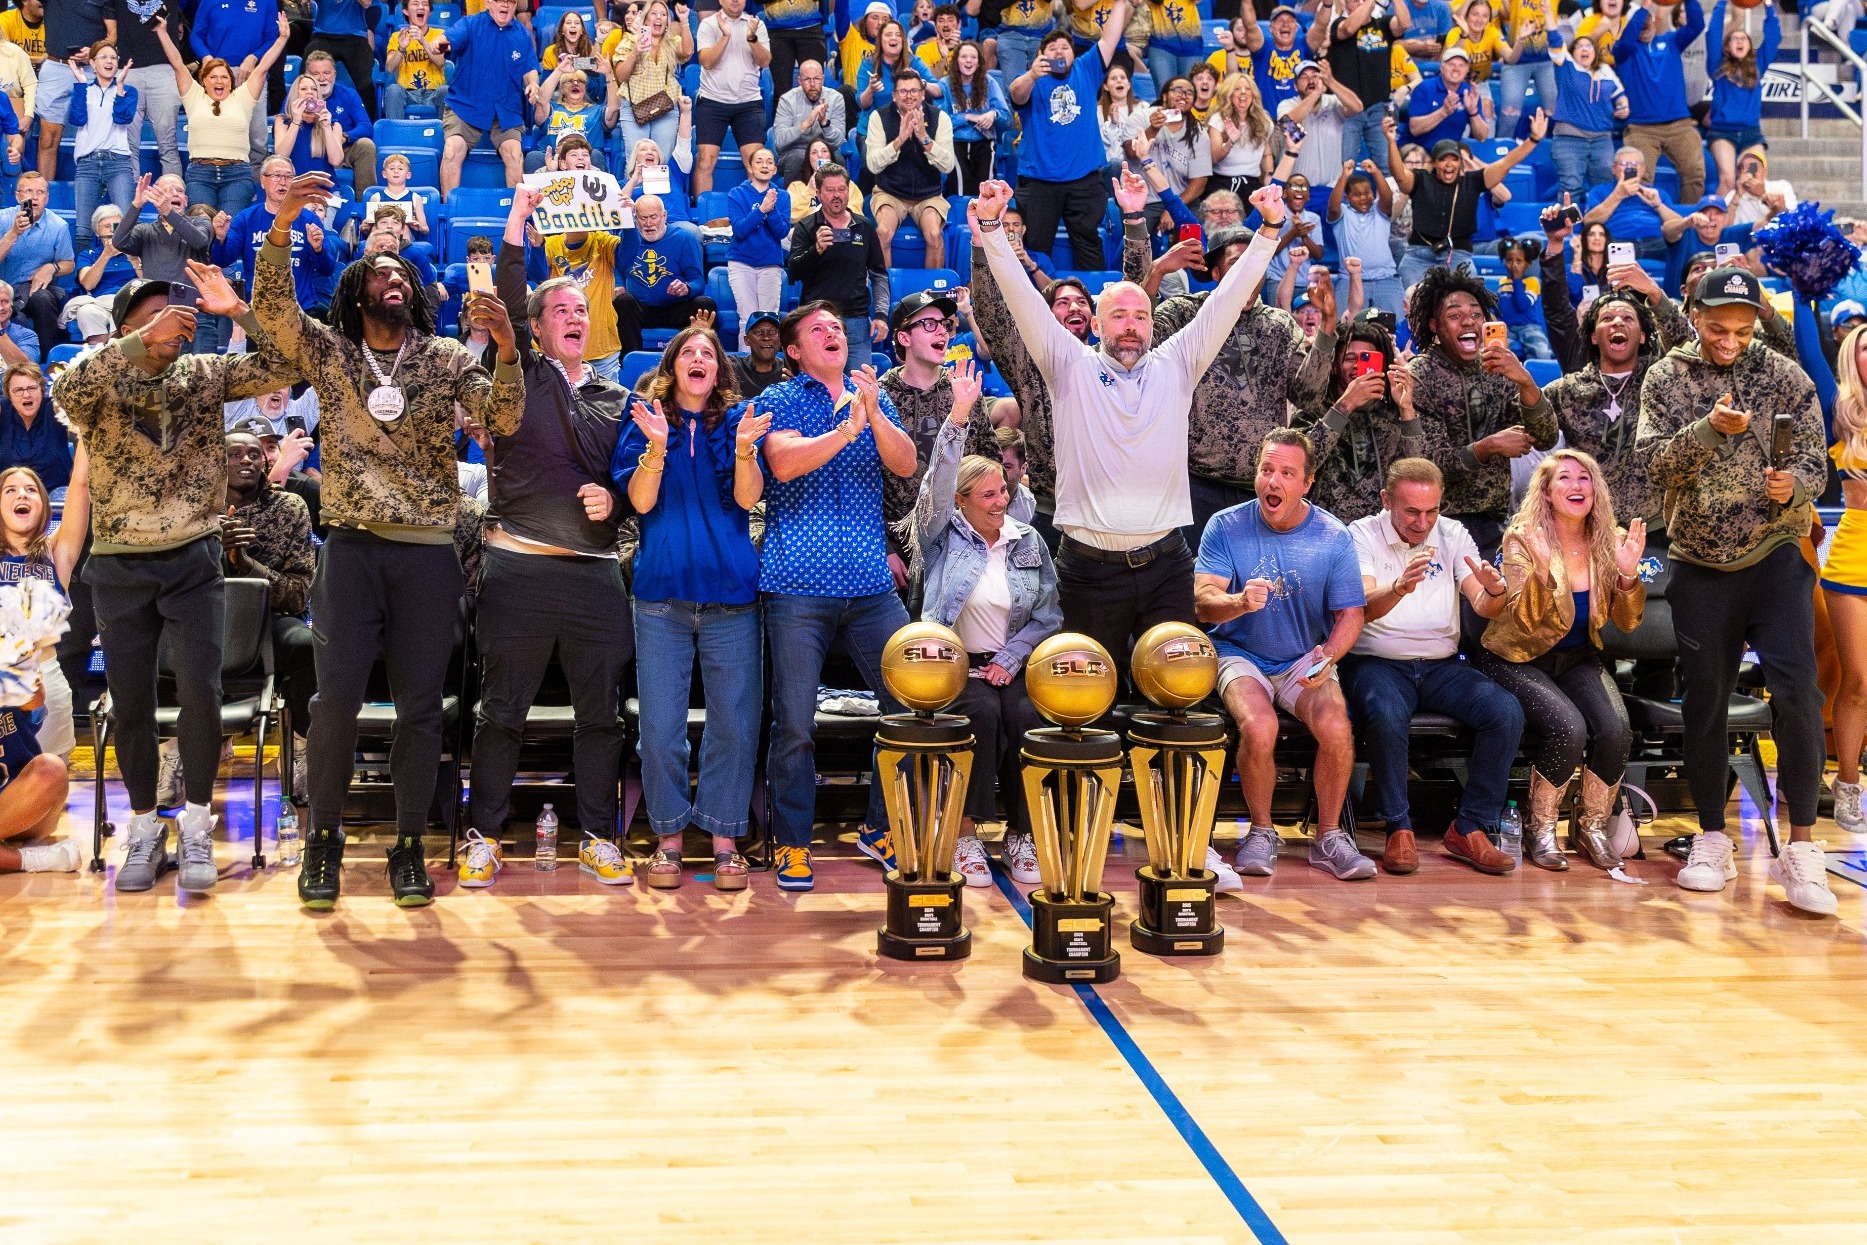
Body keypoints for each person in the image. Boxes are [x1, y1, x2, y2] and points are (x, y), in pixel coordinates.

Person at [252, 170, 524, 913]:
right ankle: (326, 838)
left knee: (420, 709)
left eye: (400, 270)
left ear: (416, 289)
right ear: (354, 289)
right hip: (350, 548)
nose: (389, 276)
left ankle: (409, 840)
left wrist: (505, 348)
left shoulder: (442, 358)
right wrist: (279, 227)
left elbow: (499, 420)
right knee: (333, 704)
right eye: (376, 269)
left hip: (429, 551)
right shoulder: (332, 351)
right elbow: (272, 316)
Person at [52, 268, 295, 894]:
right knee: (130, 703)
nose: (173, 321)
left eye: (178, 312)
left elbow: (285, 362)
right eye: (155, 313)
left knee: (202, 697)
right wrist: (135, 344)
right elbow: (71, 393)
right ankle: (140, 826)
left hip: (192, 556)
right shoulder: (99, 375)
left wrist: (237, 310)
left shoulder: (203, 374)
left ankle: (194, 822)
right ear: (127, 325)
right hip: (119, 562)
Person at [975, 174, 1284, 667]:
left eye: (1140, 316)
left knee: (1179, 694)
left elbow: (1227, 299)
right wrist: (992, 228)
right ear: (1096, 325)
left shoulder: (1178, 363)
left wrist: (1269, 230)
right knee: (1086, 702)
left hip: (1167, 563)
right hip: (1088, 570)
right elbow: (1021, 300)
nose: (1131, 326)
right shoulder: (1068, 365)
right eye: (1118, 316)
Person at [1635, 266, 1837, 917]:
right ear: (1693, 315)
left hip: (1775, 554)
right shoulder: (1666, 376)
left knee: (1798, 690)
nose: (1729, 340)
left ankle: (1802, 847)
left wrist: (1796, 487)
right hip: (1697, 558)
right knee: (1705, 701)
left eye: (1742, 330)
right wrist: (1706, 432)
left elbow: (1816, 457)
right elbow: (1650, 462)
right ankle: (1712, 838)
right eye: (1717, 328)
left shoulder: (1783, 374)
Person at [456, 189, 635, 891]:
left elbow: (640, 492)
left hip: (594, 577)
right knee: (500, 712)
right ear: (534, 328)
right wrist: (518, 217)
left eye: (579, 311)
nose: (572, 317)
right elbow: (503, 296)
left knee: (601, 717)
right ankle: (485, 836)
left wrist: (616, 498)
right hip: (517, 574)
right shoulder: (520, 381)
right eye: (558, 310)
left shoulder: (620, 401)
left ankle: (598, 836)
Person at [757, 304, 919, 892]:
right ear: (795, 351)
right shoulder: (779, 399)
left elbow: (905, 464)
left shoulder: (869, 391)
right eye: (817, 330)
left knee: (906, 708)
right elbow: (783, 462)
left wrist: (871, 414)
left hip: (872, 588)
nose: (833, 333)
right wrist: (845, 430)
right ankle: (794, 842)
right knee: (796, 723)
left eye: (836, 327)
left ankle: (880, 829)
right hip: (796, 587)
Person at [615, 326, 768, 891]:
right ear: (672, 365)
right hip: (661, 597)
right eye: (689, 352)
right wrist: (656, 446)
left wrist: (748, 447)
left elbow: (750, 498)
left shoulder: (738, 422)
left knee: (733, 724)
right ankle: (670, 839)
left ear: (719, 370)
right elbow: (639, 500)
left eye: (709, 353)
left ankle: (726, 839)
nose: (699, 358)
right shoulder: (643, 419)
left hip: (733, 597)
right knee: (659, 728)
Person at [904, 361, 1057, 887]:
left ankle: (1021, 834)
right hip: (953, 668)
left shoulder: (1026, 540)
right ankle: (965, 833)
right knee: (982, 719)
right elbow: (937, 484)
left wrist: (1013, 659)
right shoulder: (942, 536)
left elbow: (1048, 615)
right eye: (987, 495)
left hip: (1011, 666)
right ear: (962, 503)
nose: (1000, 502)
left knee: (1027, 718)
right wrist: (960, 417)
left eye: (1003, 493)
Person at [1196, 429, 1372, 881]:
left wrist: (1328, 656)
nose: (1272, 482)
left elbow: (1352, 612)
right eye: (1266, 470)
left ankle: (1330, 838)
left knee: (1335, 724)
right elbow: (1201, 601)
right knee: (1260, 724)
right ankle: (1261, 831)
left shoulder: (1333, 536)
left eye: (1286, 473)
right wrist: (1237, 602)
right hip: (1238, 651)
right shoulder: (1225, 525)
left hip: (1302, 656)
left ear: (1307, 482)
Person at [1339, 456, 1520, 875]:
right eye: (1412, 512)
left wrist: (1496, 592)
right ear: (1387, 500)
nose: (1424, 523)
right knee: (1384, 715)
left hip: (1441, 664)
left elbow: (1481, 601)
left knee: (1505, 712)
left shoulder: (1453, 533)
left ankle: (1470, 827)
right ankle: (1397, 828)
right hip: (1376, 661)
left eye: (1432, 511)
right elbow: (1363, 605)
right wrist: (1400, 587)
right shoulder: (1361, 534)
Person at [1472, 450, 1644, 870]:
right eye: (1564, 478)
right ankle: (1541, 827)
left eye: (1585, 478)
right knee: (1569, 728)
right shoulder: (1522, 538)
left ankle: (1592, 826)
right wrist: (1543, 569)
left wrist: (1626, 575)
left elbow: (1627, 622)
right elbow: (1524, 620)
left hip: (1576, 657)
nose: (1577, 486)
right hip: (1516, 657)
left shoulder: (1609, 539)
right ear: (1546, 493)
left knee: (1616, 728)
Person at [1133, 221, 1333, 537]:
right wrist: (1155, 273)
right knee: (1198, 582)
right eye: (1238, 264)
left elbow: (1308, 396)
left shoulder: (1279, 325)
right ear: (1215, 273)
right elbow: (1135, 352)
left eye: (1256, 264)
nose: (1248, 274)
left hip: (1261, 488)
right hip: (1194, 482)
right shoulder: (1186, 313)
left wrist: (1328, 328)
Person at [1538, 210, 1691, 527]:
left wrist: (1654, 293)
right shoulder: (1570, 385)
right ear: (1594, 335)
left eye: (1628, 318)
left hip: (1656, 527)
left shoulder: (1660, 375)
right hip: (1588, 526)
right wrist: (1554, 247)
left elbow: (1688, 346)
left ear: (1644, 334)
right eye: (1607, 319)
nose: (1617, 322)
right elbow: (1555, 311)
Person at [1406, 265, 1557, 555]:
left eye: (1476, 315)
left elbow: (1547, 437)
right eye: (1454, 316)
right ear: (1434, 325)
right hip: (1435, 523)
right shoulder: (1420, 375)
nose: (1468, 322)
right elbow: (1428, 464)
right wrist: (1488, 447)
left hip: (1493, 522)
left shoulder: (1500, 368)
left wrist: (1527, 383)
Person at [879, 290, 1002, 590]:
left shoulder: (961, 387)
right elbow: (861, 481)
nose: (943, 331)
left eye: (945, 324)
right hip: (899, 553)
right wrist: (883, 547)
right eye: (929, 324)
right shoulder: (880, 396)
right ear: (904, 338)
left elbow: (990, 459)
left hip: (963, 543)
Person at [218, 426, 315, 799]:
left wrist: (244, 564)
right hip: (206, 619)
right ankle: (172, 753)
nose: (246, 459)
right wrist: (218, 553)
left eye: (254, 454)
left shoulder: (289, 508)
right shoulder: (196, 510)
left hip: (270, 620)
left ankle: (299, 749)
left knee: (307, 644)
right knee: (160, 639)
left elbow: (298, 595)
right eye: (234, 454)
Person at [1009, 5, 1128, 273]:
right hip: (1040, 182)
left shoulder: (1086, 69)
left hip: (1084, 180)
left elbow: (1109, 38)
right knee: (1036, 247)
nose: (1059, 51)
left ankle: (1091, 299)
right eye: (1052, 48)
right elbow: (1016, 95)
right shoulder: (1031, 80)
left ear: (1074, 54)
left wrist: (1119, 3)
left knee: (1088, 242)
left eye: (1065, 47)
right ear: (1040, 55)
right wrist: (1031, 74)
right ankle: (1037, 305)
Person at [1386, 108, 1547, 287]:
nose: (1448, 164)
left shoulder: (1472, 181)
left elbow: (1506, 163)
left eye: (1454, 159)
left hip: (1458, 255)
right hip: (1419, 255)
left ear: (1460, 163)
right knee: (1410, 301)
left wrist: (1533, 140)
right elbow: (1399, 175)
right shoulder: (1421, 179)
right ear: (1434, 163)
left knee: (1471, 298)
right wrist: (1391, 142)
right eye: (1442, 159)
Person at [0, 447, 89, 765]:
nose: (21, 494)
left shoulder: (56, 554)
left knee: (47, 796)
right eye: (10, 489)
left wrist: (85, 426)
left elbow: (79, 483)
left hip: (46, 687)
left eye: (30, 489)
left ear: (42, 505)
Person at [1298, 315, 1422, 523]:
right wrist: (1344, 406)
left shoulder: (1391, 414)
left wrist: (1407, 409)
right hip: (1322, 527)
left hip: (1380, 532)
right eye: (1350, 358)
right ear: (1335, 366)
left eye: (1367, 358)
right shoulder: (1313, 411)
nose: (1358, 366)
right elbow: (1301, 465)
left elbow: (1417, 471)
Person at [1823, 324, 1867, 833]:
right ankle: (1848, 785)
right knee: (1856, 682)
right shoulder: (1840, 410)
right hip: (1854, 556)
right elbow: (1812, 348)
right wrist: (1806, 292)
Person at [785, 164, 890, 360]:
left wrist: (881, 315)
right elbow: (794, 272)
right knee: (819, 386)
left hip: (857, 322)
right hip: (816, 319)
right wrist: (816, 250)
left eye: (842, 189)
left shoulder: (864, 226)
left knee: (859, 386)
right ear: (818, 193)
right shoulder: (806, 227)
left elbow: (879, 274)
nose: (837, 195)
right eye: (830, 190)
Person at [211, 157, 337, 316]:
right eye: (276, 175)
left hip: (302, 311)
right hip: (260, 312)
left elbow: (327, 269)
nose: (283, 182)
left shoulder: (309, 219)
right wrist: (220, 238)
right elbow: (222, 260)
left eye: (288, 176)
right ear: (263, 181)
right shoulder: (245, 219)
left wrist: (318, 249)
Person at [440, 0, 540, 196]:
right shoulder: (470, 24)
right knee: (452, 150)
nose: (506, 4)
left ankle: (515, 215)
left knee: (514, 153)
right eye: (501, 0)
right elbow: (447, 39)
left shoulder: (521, 34)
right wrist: (439, 43)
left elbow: (529, 68)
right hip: (466, 104)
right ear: (488, 3)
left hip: (505, 109)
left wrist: (533, 84)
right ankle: (450, 210)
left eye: (510, 1)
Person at [1614, 0, 1706, 207]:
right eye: (1641, 23)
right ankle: (1645, 224)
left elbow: (1697, 25)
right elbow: (1628, 38)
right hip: (1640, 128)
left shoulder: (1671, 41)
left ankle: (1687, 220)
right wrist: (1645, 7)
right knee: (1638, 179)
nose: (1646, 26)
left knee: (1695, 174)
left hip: (1679, 125)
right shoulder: (1624, 51)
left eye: (1649, 22)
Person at [865, 69, 956, 271]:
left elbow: (948, 165)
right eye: (903, 91)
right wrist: (899, 140)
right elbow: (872, 164)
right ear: (894, 95)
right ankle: (884, 290)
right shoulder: (878, 117)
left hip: (928, 194)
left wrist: (925, 139)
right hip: (890, 192)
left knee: (934, 234)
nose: (909, 96)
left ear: (923, 94)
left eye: (914, 90)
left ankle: (933, 292)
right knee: (883, 231)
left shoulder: (940, 118)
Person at [612, 195, 715, 360]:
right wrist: (618, 285)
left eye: (653, 217)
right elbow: (618, 267)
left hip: (675, 308)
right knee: (623, 302)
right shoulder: (629, 239)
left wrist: (687, 288)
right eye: (643, 218)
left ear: (664, 216)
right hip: (641, 310)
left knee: (705, 304)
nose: (648, 223)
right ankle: (630, 360)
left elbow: (698, 281)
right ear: (635, 219)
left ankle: (691, 358)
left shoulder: (685, 238)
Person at [692, 0, 770, 198]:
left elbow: (765, 61)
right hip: (712, 101)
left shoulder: (756, 25)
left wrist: (752, 38)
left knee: (755, 163)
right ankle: (703, 216)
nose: (735, 0)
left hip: (748, 103)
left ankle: (759, 213)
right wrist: (726, 35)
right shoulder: (709, 24)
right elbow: (707, 61)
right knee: (705, 162)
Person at [1321, 0, 1409, 170]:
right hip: (1348, 110)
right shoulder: (1338, 24)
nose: (1361, 3)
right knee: (1345, 167)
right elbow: (1349, 29)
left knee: (1386, 166)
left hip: (1379, 108)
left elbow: (1404, 24)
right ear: (1345, 5)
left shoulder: (1383, 24)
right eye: (1355, 0)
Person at [35, 0, 112, 190]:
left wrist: (96, 51)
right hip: (55, 66)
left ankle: (98, 191)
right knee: (48, 137)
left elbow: (113, 34)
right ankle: (43, 195)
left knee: (100, 133)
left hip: (92, 68)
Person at [1704, 1, 1778, 201]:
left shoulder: (1757, 66)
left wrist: (1769, 6)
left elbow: (1773, 38)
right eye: (1734, 38)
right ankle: (1718, 224)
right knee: (1727, 179)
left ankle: (1757, 226)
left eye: (1744, 38)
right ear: (1727, 48)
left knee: (1755, 180)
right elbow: (1713, 34)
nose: (1739, 41)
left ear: (1749, 46)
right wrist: (1722, 4)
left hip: (1751, 134)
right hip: (1722, 132)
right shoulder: (1716, 67)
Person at [1547, 26, 1628, 200]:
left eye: (1589, 46)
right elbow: (1554, 38)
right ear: (1572, 52)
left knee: (1605, 188)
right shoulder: (1565, 66)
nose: (1585, 49)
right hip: (1569, 139)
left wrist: (1623, 107)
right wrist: (1547, 14)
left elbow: (1620, 96)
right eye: (1580, 46)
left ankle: (1598, 226)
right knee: (1571, 187)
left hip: (1602, 139)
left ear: (1595, 52)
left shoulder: (1606, 70)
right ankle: (1570, 227)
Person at [613, 0, 692, 162]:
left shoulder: (671, 41)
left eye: (663, 15)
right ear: (646, 18)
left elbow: (687, 51)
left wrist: (684, 22)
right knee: (636, 161)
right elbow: (620, 76)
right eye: (654, 14)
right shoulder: (630, 40)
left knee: (662, 159)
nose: (659, 18)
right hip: (634, 107)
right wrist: (635, 53)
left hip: (665, 108)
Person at [1326, 159, 1404, 318]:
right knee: (1345, 330)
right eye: (1357, 194)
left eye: (1367, 193)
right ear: (1347, 198)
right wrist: (1344, 176)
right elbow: (1333, 207)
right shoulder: (1343, 213)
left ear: (1373, 194)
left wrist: (1376, 171)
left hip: (1386, 280)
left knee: (1396, 328)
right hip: (1349, 281)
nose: (1363, 198)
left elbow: (1388, 198)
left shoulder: (1379, 210)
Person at [1581, 146, 1683, 259]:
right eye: (1624, 164)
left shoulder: (1657, 193)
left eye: (1634, 164)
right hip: (1617, 242)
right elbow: (1589, 222)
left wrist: (1658, 205)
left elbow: (1678, 225)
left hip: (1657, 242)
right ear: (1614, 169)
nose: (1629, 168)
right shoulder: (1599, 191)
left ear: (1643, 170)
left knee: (1683, 243)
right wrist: (1617, 195)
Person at [945, 40, 1008, 195]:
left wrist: (993, 115)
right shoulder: (945, 84)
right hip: (955, 142)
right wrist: (966, 117)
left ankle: (985, 217)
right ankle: (961, 216)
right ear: (956, 60)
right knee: (961, 183)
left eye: (973, 57)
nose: (968, 61)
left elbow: (1006, 117)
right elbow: (941, 121)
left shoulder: (989, 83)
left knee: (986, 187)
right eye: (964, 56)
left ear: (979, 62)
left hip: (984, 142)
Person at [773, 59, 847, 185]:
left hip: (823, 151)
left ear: (823, 79)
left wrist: (825, 124)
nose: (812, 84)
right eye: (807, 79)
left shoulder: (836, 98)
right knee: (797, 158)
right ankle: (793, 202)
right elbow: (779, 142)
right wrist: (805, 124)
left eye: (817, 79)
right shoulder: (787, 100)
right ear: (799, 80)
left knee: (838, 159)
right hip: (794, 152)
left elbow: (837, 142)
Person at [1404, 47, 1491, 153]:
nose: (1456, 69)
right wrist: (1444, 111)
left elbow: (1482, 137)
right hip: (1419, 151)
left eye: (1461, 65)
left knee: (1476, 165)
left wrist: (1473, 112)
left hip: (1449, 153)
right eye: (1451, 64)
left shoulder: (1468, 92)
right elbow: (1415, 129)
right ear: (1442, 67)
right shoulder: (1424, 87)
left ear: (1467, 70)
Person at [304, 0, 379, 121]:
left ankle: (367, 125)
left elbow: (367, 3)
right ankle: (305, 120)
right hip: (323, 34)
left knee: (366, 84)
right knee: (305, 77)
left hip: (355, 36)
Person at [383, 0, 451, 121]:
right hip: (407, 93)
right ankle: (396, 137)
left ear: (430, 12)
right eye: (415, 4)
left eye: (425, 4)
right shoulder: (396, 37)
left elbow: (440, 62)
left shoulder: (441, 35)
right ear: (405, 11)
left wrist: (423, 41)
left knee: (445, 90)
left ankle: (447, 138)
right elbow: (389, 68)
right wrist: (401, 48)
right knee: (393, 90)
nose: (421, 7)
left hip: (434, 93)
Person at [731, 309, 787, 396]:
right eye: (759, 332)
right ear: (747, 340)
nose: (766, 337)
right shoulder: (734, 366)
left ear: (780, 339)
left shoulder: (789, 370)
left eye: (772, 332)